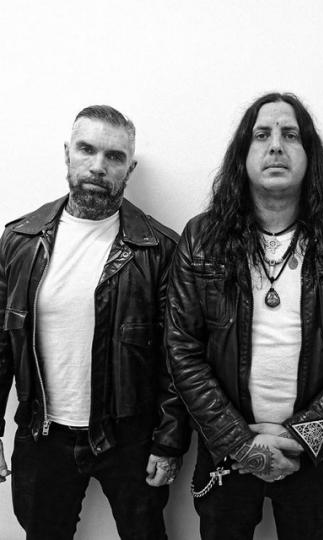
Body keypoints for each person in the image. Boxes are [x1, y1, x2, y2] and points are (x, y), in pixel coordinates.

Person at [165, 92, 323, 540]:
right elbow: (182, 349)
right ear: (243, 154)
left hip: (313, 456)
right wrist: (239, 444)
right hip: (226, 451)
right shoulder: (201, 238)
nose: (276, 146)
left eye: (291, 135)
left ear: (309, 154)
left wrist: (301, 436)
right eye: (262, 135)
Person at [0, 105, 191, 539]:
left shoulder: (160, 248)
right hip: (42, 433)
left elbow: (178, 356)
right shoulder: (19, 240)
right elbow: (1, 345)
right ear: (67, 153)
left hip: (131, 436)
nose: (98, 166)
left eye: (114, 156)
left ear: (130, 168)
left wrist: (169, 441)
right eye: (87, 149)